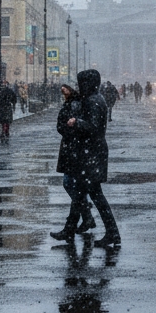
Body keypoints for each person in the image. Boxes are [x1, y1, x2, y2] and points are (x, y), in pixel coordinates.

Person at [50, 69, 120, 247]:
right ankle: (71, 228)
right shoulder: (94, 98)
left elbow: (94, 127)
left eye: (82, 83)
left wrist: (77, 122)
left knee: (94, 196)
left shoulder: (93, 101)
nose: (80, 86)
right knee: (81, 195)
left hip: (92, 154)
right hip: (91, 153)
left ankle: (112, 233)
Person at [51, 84, 99, 237]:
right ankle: (86, 216)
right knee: (75, 186)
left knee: (70, 184)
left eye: (65, 90)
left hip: (74, 150)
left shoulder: (76, 104)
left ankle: (81, 218)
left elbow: (73, 125)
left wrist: (69, 130)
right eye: (62, 91)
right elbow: (62, 125)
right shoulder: (73, 103)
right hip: (72, 149)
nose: (63, 92)